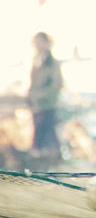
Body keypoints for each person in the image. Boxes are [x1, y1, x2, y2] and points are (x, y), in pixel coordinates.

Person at [28, 32, 63, 162]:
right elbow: (33, 83)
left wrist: (42, 96)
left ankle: (52, 160)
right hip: (37, 105)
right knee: (41, 133)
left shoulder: (52, 63)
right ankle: (43, 159)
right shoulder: (36, 60)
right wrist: (32, 98)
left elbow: (57, 84)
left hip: (48, 104)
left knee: (47, 132)